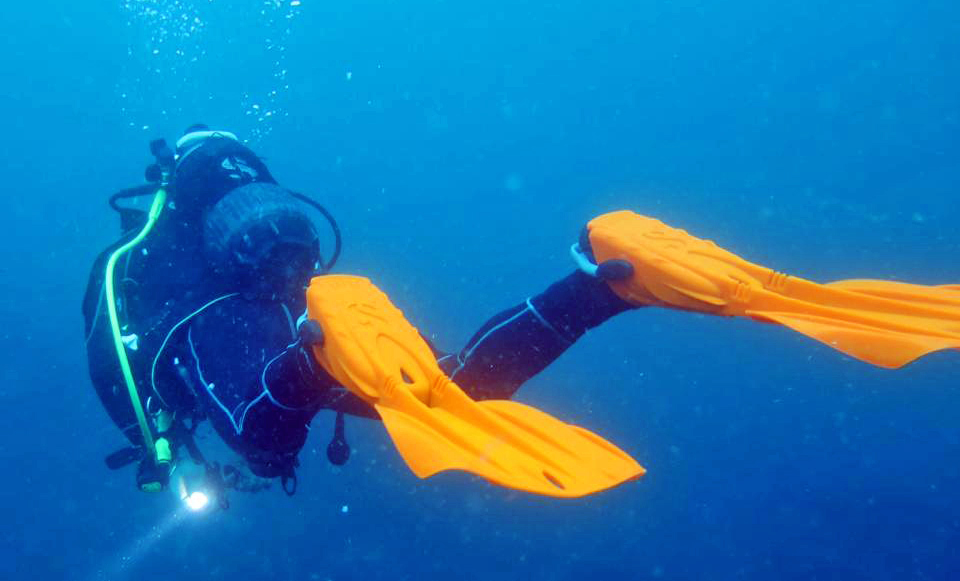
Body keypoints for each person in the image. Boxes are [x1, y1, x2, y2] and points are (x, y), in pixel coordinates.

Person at [85, 126, 960, 505]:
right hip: (303, 322)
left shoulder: (161, 282)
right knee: (452, 384)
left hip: (284, 344)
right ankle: (600, 278)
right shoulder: (217, 275)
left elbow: (261, 443)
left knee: (315, 416)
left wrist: (303, 369)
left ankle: (597, 286)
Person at [83, 126, 636, 502]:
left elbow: (111, 365)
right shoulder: (258, 245)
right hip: (309, 307)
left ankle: (310, 365)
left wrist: (155, 444)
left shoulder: (150, 265)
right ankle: (600, 285)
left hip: (268, 333)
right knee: (455, 385)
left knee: (264, 444)